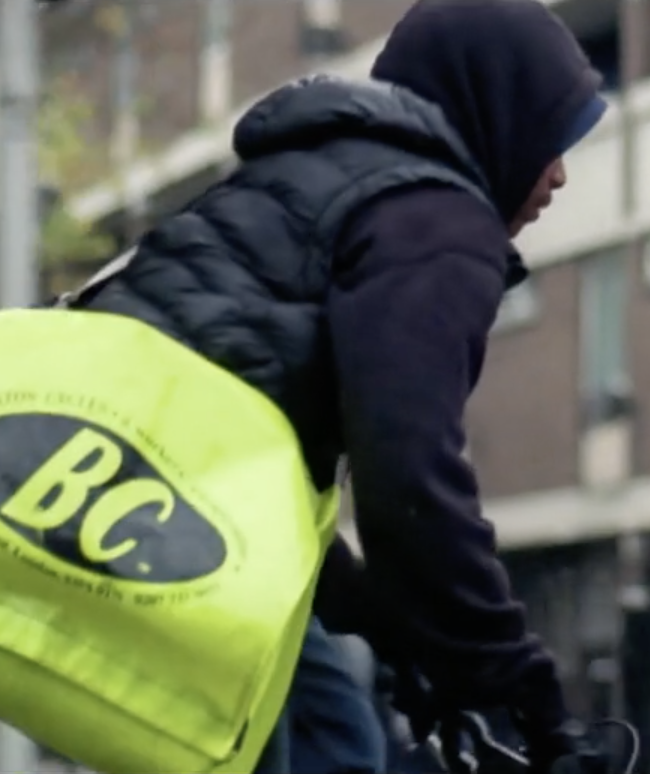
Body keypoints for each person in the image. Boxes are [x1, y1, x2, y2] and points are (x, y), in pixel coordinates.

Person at [65, 0, 608, 771]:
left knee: (335, 727)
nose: (557, 172)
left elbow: (254, 468)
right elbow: (411, 477)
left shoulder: (319, 178)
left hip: (100, 481)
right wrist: (521, 683)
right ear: (498, 113)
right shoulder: (437, 222)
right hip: (165, 523)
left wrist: (399, 634)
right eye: (551, 137)